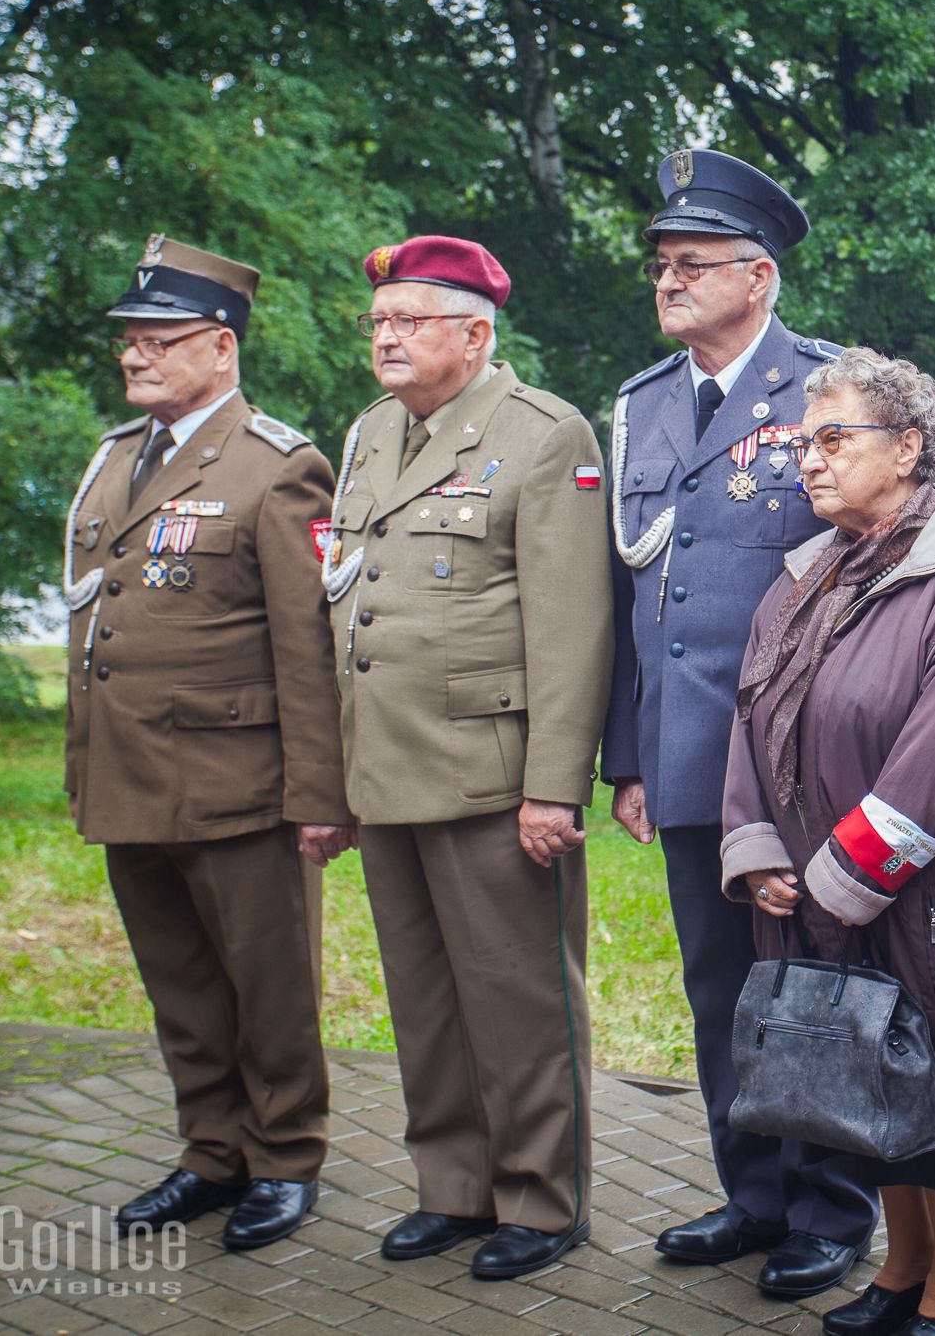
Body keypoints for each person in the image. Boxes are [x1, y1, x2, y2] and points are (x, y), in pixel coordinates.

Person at [723, 349, 935, 1336]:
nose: (807, 463)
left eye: (833, 440)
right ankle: (898, 1270)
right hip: (833, 902)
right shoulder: (807, 576)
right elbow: (753, 719)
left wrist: (837, 876)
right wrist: (758, 849)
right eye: (800, 443)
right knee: (865, 1089)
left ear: (906, 449)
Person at [601, 149, 878, 1296]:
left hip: (794, 760)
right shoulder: (642, 405)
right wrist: (625, 756)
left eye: (691, 263)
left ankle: (832, 1207)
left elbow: (869, 577)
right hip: (680, 752)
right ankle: (752, 1194)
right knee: (718, 990)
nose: (666, 281)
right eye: (660, 264)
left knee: (809, 984)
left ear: (757, 276)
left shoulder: (823, 391)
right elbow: (631, 599)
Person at [322, 235, 613, 1279]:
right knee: (425, 999)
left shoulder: (541, 434)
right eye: (380, 323)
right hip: (386, 768)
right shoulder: (368, 435)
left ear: (474, 333)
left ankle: (541, 1200)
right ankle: (453, 1187)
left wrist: (550, 789)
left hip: (491, 776)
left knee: (519, 997)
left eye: (408, 322)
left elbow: (572, 625)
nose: (385, 339)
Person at [64, 235, 350, 1249]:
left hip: (240, 782)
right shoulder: (112, 461)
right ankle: (210, 1153)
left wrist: (319, 796)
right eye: (129, 341)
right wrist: (81, 766)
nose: (136, 356)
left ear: (220, 348)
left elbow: (308, 649)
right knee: (181, 986)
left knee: (266, 984)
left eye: (159, 339)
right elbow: (94, 628)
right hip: (132, 776)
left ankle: (285, 1157)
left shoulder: (277, 467)